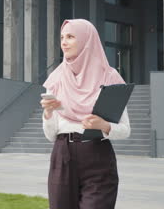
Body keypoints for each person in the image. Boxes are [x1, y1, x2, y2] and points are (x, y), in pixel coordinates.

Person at [40, 19, 131, 209]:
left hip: (98, 155)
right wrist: (48, 114)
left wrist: (103, 125)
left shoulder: (110, 76)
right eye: (62, 37)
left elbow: (125, 130)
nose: (64, 42)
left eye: (70, 37)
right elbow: (50, 135)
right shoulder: (56, 78)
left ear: (86, 40)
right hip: (62, 154)